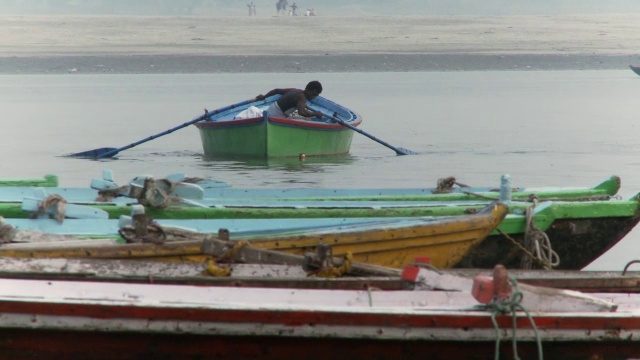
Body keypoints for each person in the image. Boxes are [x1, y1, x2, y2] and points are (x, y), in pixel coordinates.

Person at [255, 81, 324, 119]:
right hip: (276, 115)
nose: (313, 97)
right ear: (308, 89)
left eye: (315, 95)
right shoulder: (302, 97)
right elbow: (302, 113)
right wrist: (315, 114)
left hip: (271, 109)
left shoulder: (295, 90)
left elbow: (276, 90)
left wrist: (264, 97)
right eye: (313, 94)